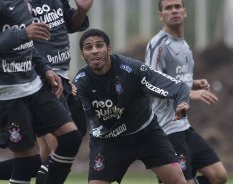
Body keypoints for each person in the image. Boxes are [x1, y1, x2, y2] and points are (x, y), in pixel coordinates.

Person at [0, 0, 84, 184]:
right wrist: (23, 34)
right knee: (27, 162)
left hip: (35, 87)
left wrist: (46, 69)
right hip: (8, 95)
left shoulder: (24, 4)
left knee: (71, 138)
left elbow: (28, 47)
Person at [73, 28, 190, 184]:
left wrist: (181, 102)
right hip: (109, 142)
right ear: (82, 55)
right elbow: (80, 123)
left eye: (99, 45)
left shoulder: (131, 69)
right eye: (88, 48)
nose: (94, 51)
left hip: (146, 133)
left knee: (179, 181)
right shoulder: (81, 83)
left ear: (108, 49)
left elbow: (176, 86)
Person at [145, 0, 228, 184]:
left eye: (177, 6)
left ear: (184, 11)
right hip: (166, 128)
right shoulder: (159, 44)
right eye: (168, 8)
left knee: (218, 176)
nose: (174, 10)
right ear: (160, 15)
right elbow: (150, 83)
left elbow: (175, 78)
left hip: (183, 127)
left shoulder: (183, 44)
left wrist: (193, 83)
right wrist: (187, 93)